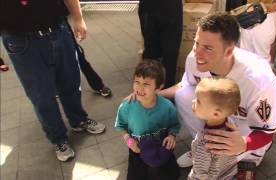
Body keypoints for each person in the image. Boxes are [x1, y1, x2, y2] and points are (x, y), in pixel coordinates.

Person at [158, 13, 276, 174]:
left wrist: (245, 143)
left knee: (234, 158)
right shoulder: (195, 58)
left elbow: (267, 131)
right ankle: (203, 148)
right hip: (219, 118)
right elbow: (184, 85)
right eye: (197, 43)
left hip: (246, 127)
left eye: (208, 48)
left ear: (229, 51)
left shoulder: (259, 80)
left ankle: (250, 159)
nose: (198, 52)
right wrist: (155, 95)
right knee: (184, 95)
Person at [0, 0, 105, 161]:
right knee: (42, 96)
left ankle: (78, 120)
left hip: (58, 29)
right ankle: (58, 139)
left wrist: (78, 18)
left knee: (71, 83)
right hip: (21, 40)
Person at [115, 60, 181, 180]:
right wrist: (129, 141)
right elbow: (121, 126)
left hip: (162, 146)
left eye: (146, 84)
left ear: (159, 88)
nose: (139, 88)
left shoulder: (167, 107)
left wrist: (172, 136)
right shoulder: (126, 106)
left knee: (170, 175)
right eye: (137, 82)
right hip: (137, 149)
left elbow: (174, 125)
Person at [188, 77, 240, 180]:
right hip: (228, 173)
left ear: (216, 113)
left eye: (198, 101)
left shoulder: (206, 144)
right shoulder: (231, 127)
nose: (193, 101)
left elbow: (199, 174)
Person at [138, 0, 182, 88]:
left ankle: (153, 87)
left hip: (161, 7)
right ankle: (151, 86)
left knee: (165, 52)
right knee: (157, 51)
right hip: (159, 7)